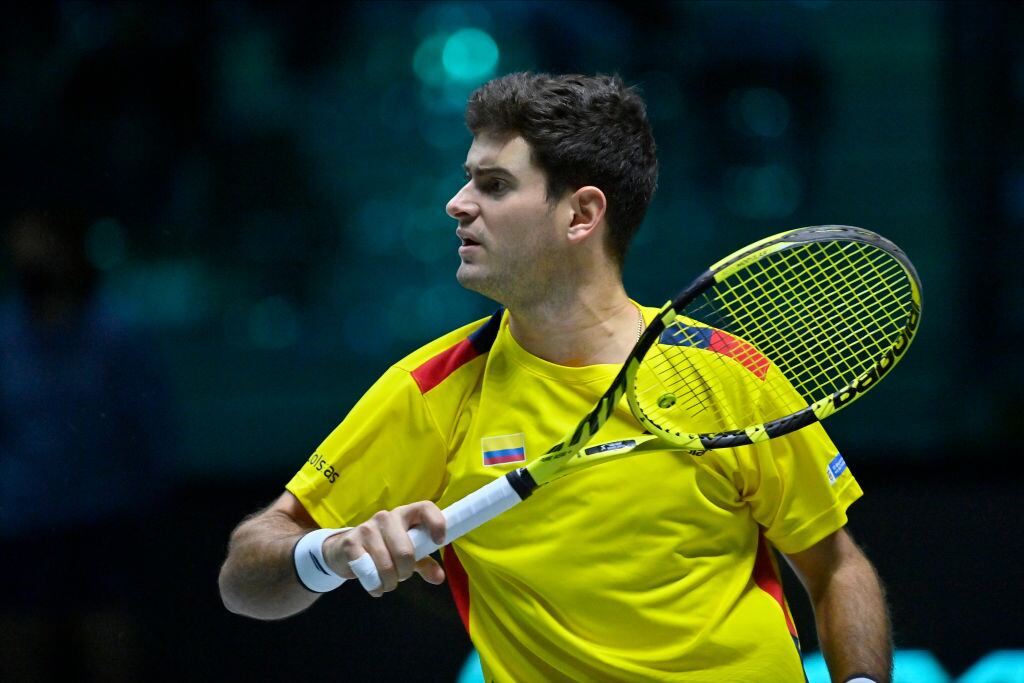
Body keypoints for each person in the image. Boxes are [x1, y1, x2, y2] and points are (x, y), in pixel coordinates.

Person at [218, 72, 892, 683]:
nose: (457, 203)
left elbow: (835, 566)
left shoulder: (726, 374)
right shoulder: (437, 392)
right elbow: (246, 576)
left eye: (494, 184)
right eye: (466, 178)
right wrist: (330, 550)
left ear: (581, 213)